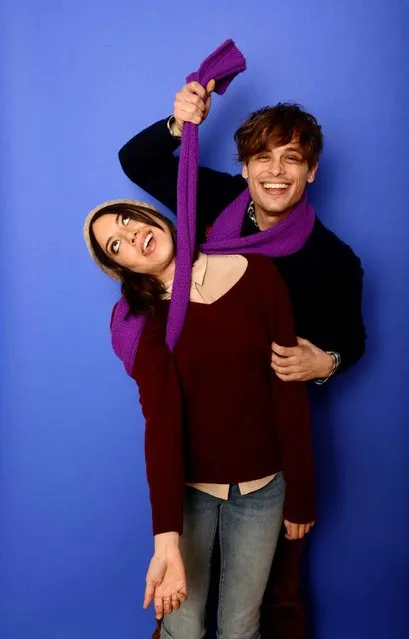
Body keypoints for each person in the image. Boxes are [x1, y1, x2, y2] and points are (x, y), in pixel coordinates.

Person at [116, 81, 366, 639]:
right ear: (246, 168)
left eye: (292, 159)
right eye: (262, 158)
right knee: (181, 607)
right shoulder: (211, 199)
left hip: (269, 450)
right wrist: (180, 122)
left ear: (312, 172)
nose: (276, 172)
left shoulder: (334, 261)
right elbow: (136, 160)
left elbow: (352, 338)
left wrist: (325, 360)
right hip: (194, 448)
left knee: (267, 603)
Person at [83, 199, 316, 639]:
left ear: (150, 216)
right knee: (182, 629)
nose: (131, 236)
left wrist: (302, 489)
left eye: (128, 220)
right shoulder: (144, 322)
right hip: (189, 493)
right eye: (116, 245)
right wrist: (166, 538)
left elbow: (287, 387)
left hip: (264, 489)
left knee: (241, 627)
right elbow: (162, 425)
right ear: (123, 268)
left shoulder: (257, 274)